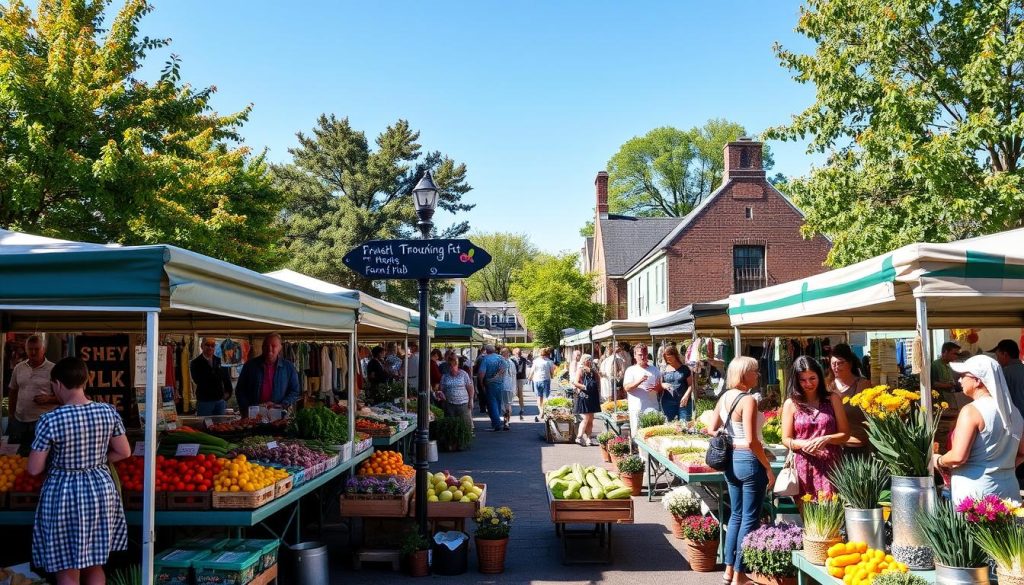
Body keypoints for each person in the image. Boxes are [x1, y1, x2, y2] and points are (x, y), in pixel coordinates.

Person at [28, 357, 131, 585]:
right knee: (95, 562)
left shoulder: (50, 419)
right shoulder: (108, 411)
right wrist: (94, 463)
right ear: (85, 380)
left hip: (64, 493)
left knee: (67, 567)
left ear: (58, 384)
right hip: (101, 489)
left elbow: (34, 468)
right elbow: (124, 452)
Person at [707, 356, 774, 585]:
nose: (757, 374)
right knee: (750, 517)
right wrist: (768, 467)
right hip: (749, 459)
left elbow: (710, 428)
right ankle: (741, 573)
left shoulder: (724, 397)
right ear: (744, 374)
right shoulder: (748, 400)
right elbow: (753, 440)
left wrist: (729, 440)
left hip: (730, 461)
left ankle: (729, 570)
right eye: (754, 371)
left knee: (735, 515)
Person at [935, 355, 1024, 504]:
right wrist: (1001, 468)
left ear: (978, 381)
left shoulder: (971, 411)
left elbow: (958, 457)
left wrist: (938, 460)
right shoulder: (1014, 412)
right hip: (1008, 489)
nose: (959, 380)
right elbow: (1022, 452)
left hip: (976, 493)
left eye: (963, 376)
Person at [781, 356, 849, 499]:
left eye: (812, 378)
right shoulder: (791, 403)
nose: (808, 384)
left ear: (819, 376)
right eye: (803, 380)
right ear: (796, 381)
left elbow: (845, 434)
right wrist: (804, 443)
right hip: (803, 467)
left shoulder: (832, 399)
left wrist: (827, 438)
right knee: (809, 515)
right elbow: (786, 439)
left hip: (831, 466)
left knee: (832, 514)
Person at [6, 334, 58, 456]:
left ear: (43, 349)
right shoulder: (19, 368)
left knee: (39, 455)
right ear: (26, 349)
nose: (33, 352)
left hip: (42, 422)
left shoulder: (54, 369)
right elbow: (12, 391)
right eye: (30, 349)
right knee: (17, 455)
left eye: (37, 349)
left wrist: (49, 399)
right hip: (19, 420)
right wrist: (11, 414)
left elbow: (64, 397)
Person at [235, 333, 301, 416]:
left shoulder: (288, 367)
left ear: (280, 348)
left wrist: (282, 405)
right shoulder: (250, 366)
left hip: (278, 414)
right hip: (254, 415)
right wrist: (247, 408)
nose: (269, 349)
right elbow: (240, 390)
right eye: (266, 345)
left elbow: (294, 391)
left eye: (273, 346)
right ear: (262, 347)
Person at [828, 343, 872, 455]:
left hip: (860, 447)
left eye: (840, 363)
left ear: (850, 364)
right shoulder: (826, 386)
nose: (836, 367)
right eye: (833, 364)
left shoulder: (863, 385)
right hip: (833, 448)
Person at [190, 337, 233, 416]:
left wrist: (228, 392)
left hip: (220, 401)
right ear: (202, 346)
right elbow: (198, 380)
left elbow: (227, 379)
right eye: (207, 345)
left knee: (220, 426)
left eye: (212, 345)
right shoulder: (195, 363)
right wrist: (210, 366)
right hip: (204, 402)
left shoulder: (220, 361)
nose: (210, 347)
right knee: (205, 426)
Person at [623, 344, 661, 432]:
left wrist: (657, 388)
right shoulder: (630, 370)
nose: (643, 357)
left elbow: (660, 387)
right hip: (637, 408)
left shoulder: (654, 369)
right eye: (640, 355)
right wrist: (640, 381)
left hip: (652, 407)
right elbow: (627, 388)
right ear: (635, 355)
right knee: (637, 433)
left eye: (645, 354)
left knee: (652, 432)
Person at [440, 353, 475, 432]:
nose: (452, 368)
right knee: (451, 425)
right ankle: (453, 441)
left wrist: (471, 400)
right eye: (450, 367)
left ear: (457, 365)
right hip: (449, 404)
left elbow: (470, 387)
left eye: (454, 366)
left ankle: (465, 440)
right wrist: (441, 394)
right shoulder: (445, 376)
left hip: (463, 404)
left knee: (465, 424)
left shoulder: (463, 374)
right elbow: (441, 389)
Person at [572, 353, 602, 446]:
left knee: (590, 419)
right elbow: (575, 382)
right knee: (585, 418)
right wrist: (585, 387)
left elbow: (598, 382)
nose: (589, 361)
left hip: (593, 397)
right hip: (584, 396)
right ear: (584, 360)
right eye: (588, 360)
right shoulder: (580, 370)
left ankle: (589, 438)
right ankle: (579, 437)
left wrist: (599, 394)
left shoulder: (593, 371)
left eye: (590, 360)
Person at [659, 346, 693, 422]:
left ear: (675, 356)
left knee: (684, 425)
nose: (668, 360)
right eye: (666, 358)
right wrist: (663, 385)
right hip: (668, 403)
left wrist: (686, 395)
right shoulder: (663, 370)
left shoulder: (685, 369)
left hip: (684, 402)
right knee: (670, 426)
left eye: (670, 358)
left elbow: (691, 385)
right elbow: (659, 384)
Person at [478, 345, 507, 432]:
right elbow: (504, 368)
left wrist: (481, 382)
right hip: (500, 383)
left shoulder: (485, 359)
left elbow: (481, 373)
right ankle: (497, 419)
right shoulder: (500, 358)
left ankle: (496, 423)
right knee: (498, 402)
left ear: (486, 351)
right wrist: (498, 375)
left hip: (490, 383)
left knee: (492, 403)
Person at [531, 348, 556, 422]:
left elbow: (532, 370)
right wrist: (552, 376)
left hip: (536, 380)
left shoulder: (535, 361)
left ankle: (541, 411)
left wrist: (529, 378)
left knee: (539, 397)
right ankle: (542, 412)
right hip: (545, 380)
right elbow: (552, 372)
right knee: (545, 397)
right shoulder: (549, 362)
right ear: (547, 354)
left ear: (539, 353)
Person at [499, 348, 516, 431]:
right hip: (509, 387)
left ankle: (505, 421)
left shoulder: (499, 362)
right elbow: (514, 376)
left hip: (501, 386)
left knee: (502, 405)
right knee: (508, 405)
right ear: (508, 354)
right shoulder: (511, 363)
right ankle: (507, 422)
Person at [511, 348, 528, 420]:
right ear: (514, 353)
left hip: (520, 378)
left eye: (520, 352)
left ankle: (522, 408)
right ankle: (509, 408)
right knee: (513, 393)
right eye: (518, 353)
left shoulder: (523, 359)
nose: (519, 354)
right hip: (513, 378)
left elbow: (525, 368)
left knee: (520, 393)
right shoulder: (511, 359)